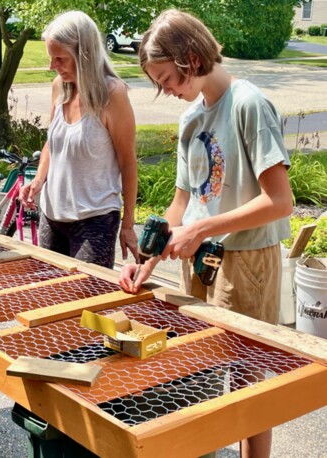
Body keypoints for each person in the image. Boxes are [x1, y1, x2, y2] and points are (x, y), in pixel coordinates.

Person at [119, 9, 293, 458]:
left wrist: (202, 228)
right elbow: (182, 204)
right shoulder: (191, 119)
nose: (167, 91)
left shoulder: (249, 104)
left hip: (246, 261)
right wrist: (148, 261)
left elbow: (279, 201)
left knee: (248, 380)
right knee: (202, 372)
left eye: (167, 79)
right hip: (199, 261)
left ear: (191, 58)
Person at [19, 11, 138, 268]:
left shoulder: (113, 95)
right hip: (51, 215)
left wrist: (128, 224)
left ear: (84, 55)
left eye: (60, 58)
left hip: (94, 220)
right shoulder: (59, 86)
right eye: (51, 58)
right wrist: (38, 180)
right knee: (50, 297)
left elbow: (128, 163)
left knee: (84, 299)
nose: (52, 66)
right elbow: (53, 142)